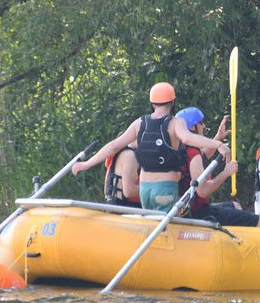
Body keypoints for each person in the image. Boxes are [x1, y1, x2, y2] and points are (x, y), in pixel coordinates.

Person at [72, 82, 230, 212]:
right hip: (164, 189)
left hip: (145, 191)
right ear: (173, 102)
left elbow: (113, 146)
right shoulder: (175, 123)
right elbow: (188, 138)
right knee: (165, 235)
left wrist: (86, 164)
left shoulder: (139, 123)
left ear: (152, 103)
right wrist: (218, 144)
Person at [176, 107, 260, 227]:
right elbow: (202, 191)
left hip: (193, 209)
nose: (204, 126)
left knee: (235, 206)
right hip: (199, 212)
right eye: (200, 123)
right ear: (192, 127)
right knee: (258, 221)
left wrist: (218, 137)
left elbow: (203, 157)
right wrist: (226, 173)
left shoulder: (184, 148)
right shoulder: (193, 153)